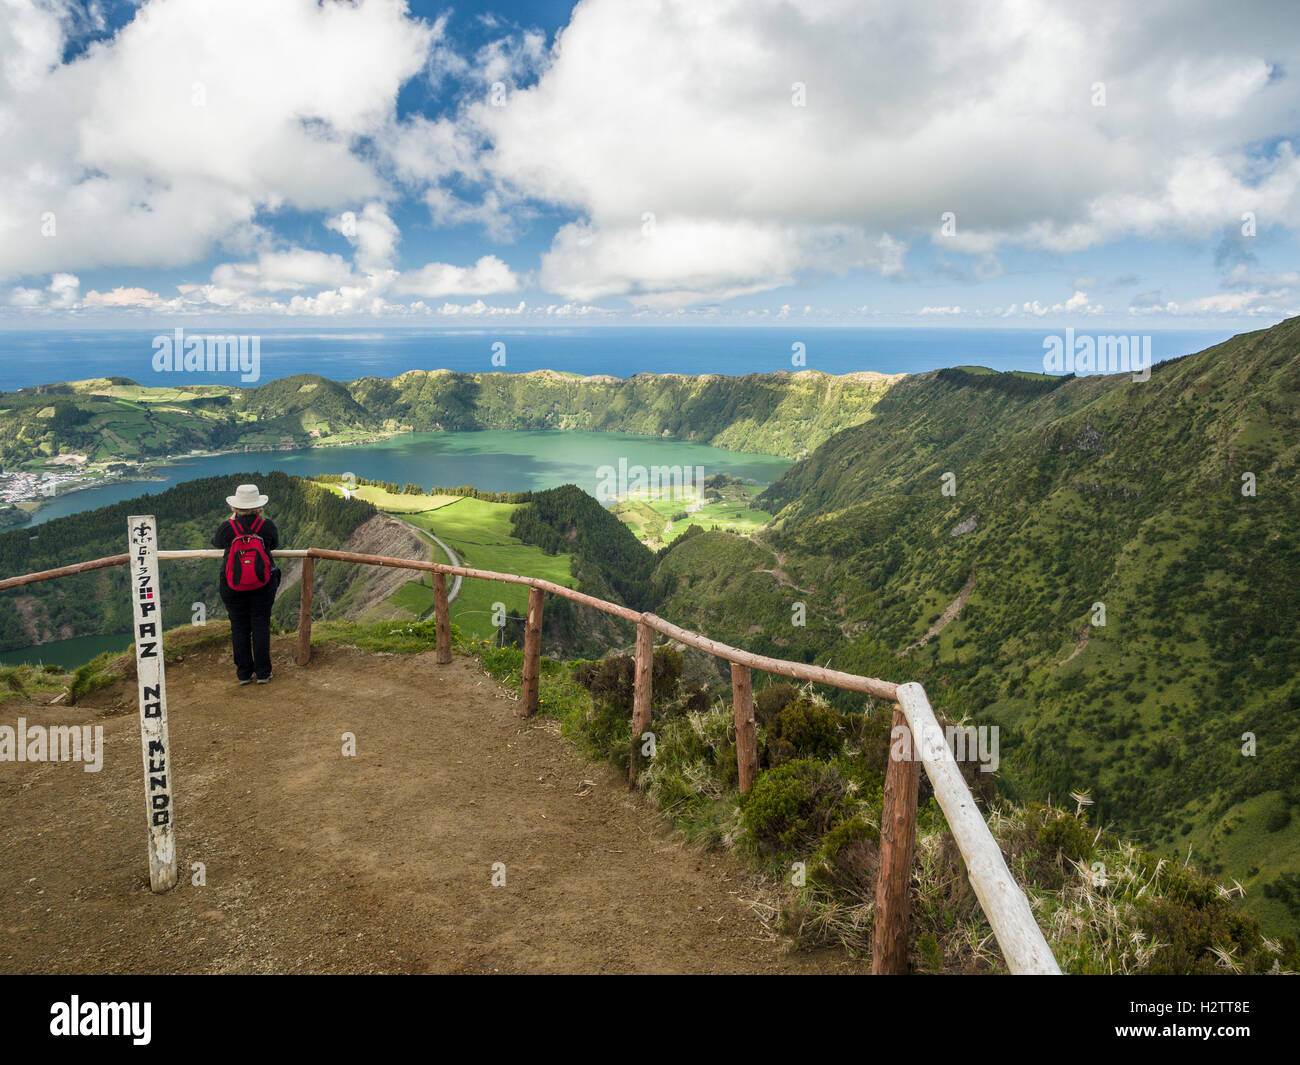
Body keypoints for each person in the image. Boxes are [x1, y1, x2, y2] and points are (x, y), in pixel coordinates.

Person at [212, 483, 281, 685]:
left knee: (239, 627)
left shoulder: (227, 527)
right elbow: (274, 544)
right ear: (259, 506)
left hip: (232, 586)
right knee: (260, 625)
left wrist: (231, 521)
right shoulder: (266, 526)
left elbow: (216, 542)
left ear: (235, 507)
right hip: (262, 585)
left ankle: (243, 674)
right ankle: (263, 673)